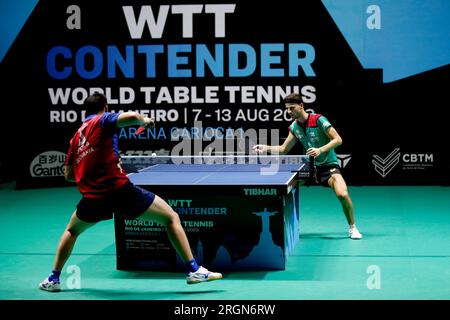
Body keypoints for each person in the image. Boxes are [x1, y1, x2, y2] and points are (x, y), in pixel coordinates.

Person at [39, 93, 222, 292]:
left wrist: (93, 169)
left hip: (93, 197)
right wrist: (145, 120)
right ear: (106, 107)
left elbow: (69, 175)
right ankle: (193, 269)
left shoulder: (76, 138)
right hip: (118, 191)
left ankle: (53, 278)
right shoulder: (102, 120)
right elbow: (132, 117)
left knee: (71, 231)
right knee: (171, 217)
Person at [253, 93, 362, 240]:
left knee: (342, 194)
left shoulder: (318, 120)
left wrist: (320, 150)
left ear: (301, 106)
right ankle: (282, 227)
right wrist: (265, 148)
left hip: (328, 166)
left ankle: (352, 228)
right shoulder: (294, 127)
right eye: (287, 109)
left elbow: (338, 139)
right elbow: (284, 149)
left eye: (292, 108)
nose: (289, 112)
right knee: (283, 189)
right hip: (309, 168)